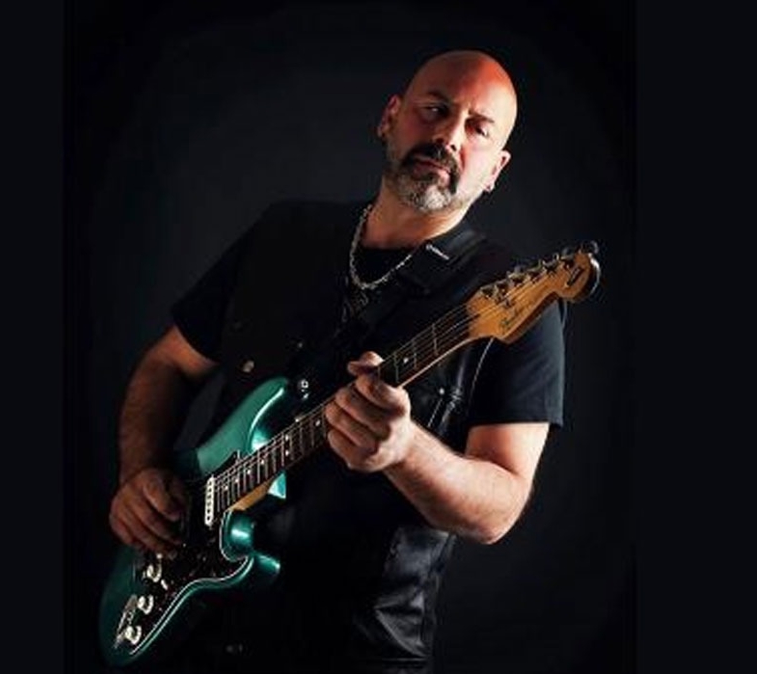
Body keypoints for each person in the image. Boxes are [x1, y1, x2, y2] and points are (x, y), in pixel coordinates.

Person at [107, 49, 568, 674]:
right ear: (390, 117)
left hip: (358, 652)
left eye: (478, 128)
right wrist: (139, 474)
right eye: (435, 109)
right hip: (197, 629)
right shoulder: (284, 232)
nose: (448, 137)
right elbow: (167, 365)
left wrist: (406, 451)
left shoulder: (514, 300)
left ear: (496, 170)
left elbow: (500, 507)